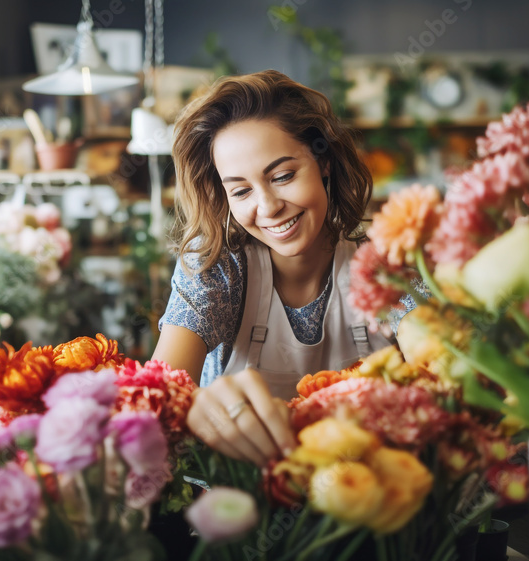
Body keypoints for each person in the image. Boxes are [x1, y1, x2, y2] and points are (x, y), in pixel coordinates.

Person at [151, 70, 393, 467]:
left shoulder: (385, 260)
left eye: (282, 176)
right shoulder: (217, 268)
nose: (267, 207)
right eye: (241, 190)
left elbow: (444, 375)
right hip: (241, 503)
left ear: (324, 162)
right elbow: (159, 394)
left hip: (370, 494)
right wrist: (193, 407)